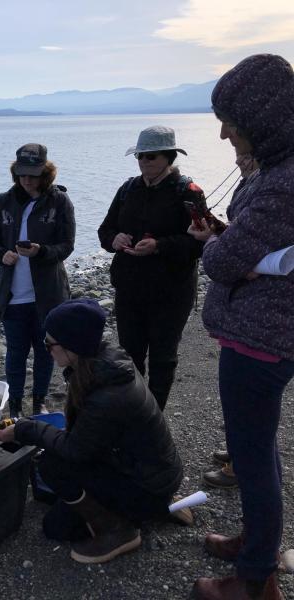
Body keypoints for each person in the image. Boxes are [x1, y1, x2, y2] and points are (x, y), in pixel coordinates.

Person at [187, 54, 294, 600]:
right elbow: (243, 251)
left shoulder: (282, 183)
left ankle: (255, 584)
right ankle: (258, 543)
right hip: (264, 334)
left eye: (232, 120)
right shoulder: (279, 167)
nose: (224, 132)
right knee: (258, 451)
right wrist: (236, 244)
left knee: (252, 459)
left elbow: (222, 263)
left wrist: (228, 249)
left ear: (264, 118)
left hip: (260, 340)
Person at [0, 298, 183, 564]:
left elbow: (75, 450)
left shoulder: (107, 394)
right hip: (154, 474)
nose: (47, 349)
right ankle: (157, 508)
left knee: (54, 486)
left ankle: (120, 531)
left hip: (148, 486)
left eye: (50, 344)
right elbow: (90, 435)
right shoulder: (104, 364)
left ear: (72, 346)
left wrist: (25, 428)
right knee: (56, 509)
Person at [97, 125, 206, 410]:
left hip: (171, 291)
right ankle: (134, 411)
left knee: (163, 358)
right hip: (130, 288)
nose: (145, 162)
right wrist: (114, 239)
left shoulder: (189, 192)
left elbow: (201, 244)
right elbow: (105, 230)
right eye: (140, 156)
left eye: (152, 156)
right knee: (129, 356)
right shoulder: (127, 189)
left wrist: (159, 245)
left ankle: (154, 416)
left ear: (169, 157)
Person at [0, 143, 75, 418]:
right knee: (15, 354)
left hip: (47, 296)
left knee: (45, 351)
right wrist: (2, 255)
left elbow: (67, 245)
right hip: (13, 296)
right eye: (22, 173)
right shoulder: (4, 200)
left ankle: (38, 403)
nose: (26, 179)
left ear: (45, 172)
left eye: (33, 174)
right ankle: (14, 406)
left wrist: (42, 252)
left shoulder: (60, 202)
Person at [202, 152, 258, 491]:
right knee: (236, 398)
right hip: (240, 313)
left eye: (244, 153)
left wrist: (213, 240)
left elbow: (231, 258)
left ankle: (240, 466)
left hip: (255, 321)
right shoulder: (253, 181)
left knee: (246, 401)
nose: (238, 158)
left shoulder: (273, 185)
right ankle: (238, 452)